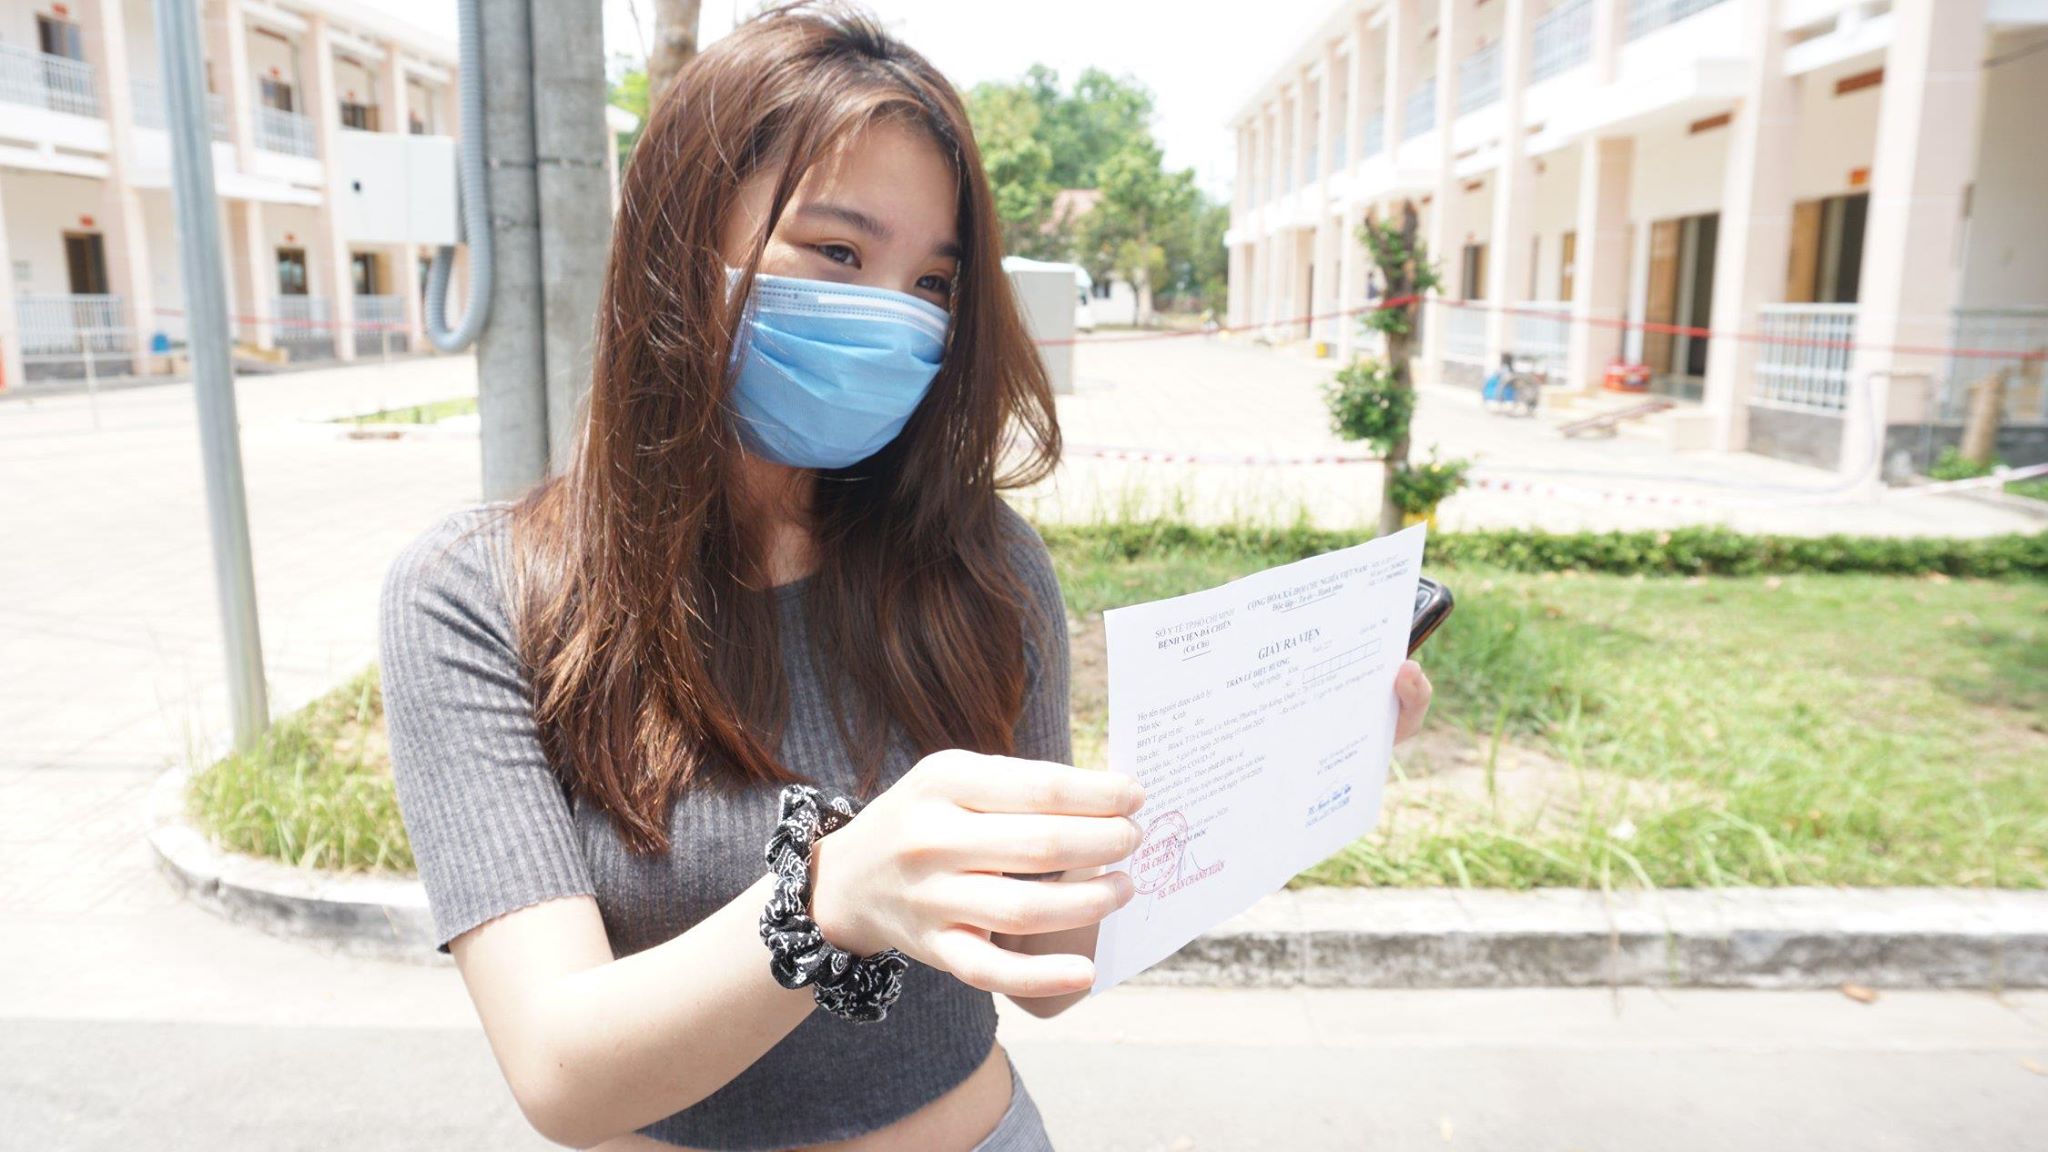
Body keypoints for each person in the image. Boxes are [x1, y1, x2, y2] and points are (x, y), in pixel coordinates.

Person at [376, 5, 1436, 1150]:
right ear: (677, 245)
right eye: (838, 253)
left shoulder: (982, 564)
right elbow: (563, 1075)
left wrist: (1277, 762)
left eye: (931, 282)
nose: (889, 316)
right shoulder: (479, 594)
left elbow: (1042, 964)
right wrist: (834, 895)